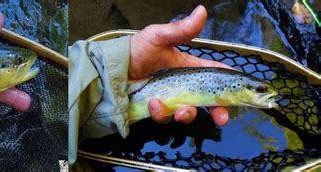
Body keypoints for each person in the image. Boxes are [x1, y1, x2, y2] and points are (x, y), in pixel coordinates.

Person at [69, 5, 233, 166]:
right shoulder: (57, 159)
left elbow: (56, 140)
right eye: (260, 90)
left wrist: (114, 68)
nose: (260, 95)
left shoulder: (54, 150)